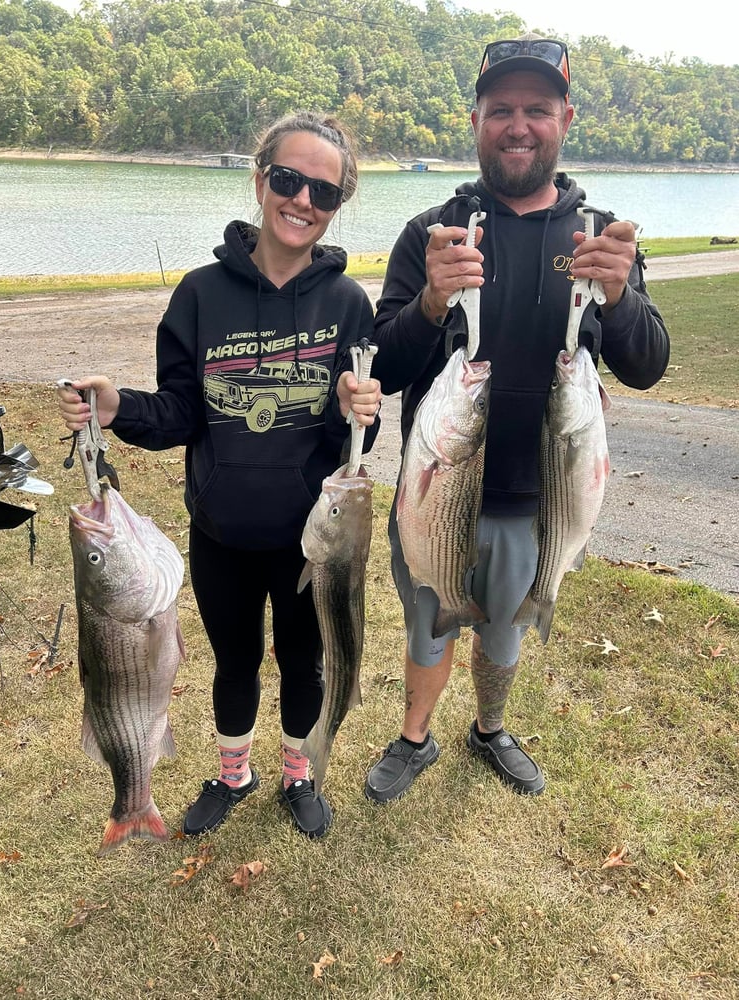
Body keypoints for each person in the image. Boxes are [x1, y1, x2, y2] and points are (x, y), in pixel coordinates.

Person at [58, 110, 382, 840]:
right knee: (234, 661)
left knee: (304, 661)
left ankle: (300, 771)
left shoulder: (348, 303)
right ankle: (233, 771)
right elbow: (178, 413)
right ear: (262, 179)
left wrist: (356, 408)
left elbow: (356, 436)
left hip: (309, 540)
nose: (303, 201)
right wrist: (116, 407)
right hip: (221, 532)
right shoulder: (201, 295)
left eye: (323, 193)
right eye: (290, 181)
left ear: (337, 206)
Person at [365, 35, 670, 804]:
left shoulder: (598, 234)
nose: (518, 125)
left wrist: (621, 297)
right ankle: (415, 737)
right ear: (475, 120)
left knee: (506, 629)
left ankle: (491, 728)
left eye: (537, 108)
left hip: (543, 499)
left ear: (565, 117)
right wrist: (431, 303)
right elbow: (386, 366)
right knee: (431, 622)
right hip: (440, 487)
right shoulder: (434, 230)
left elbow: (647, 364)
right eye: (501, 109)